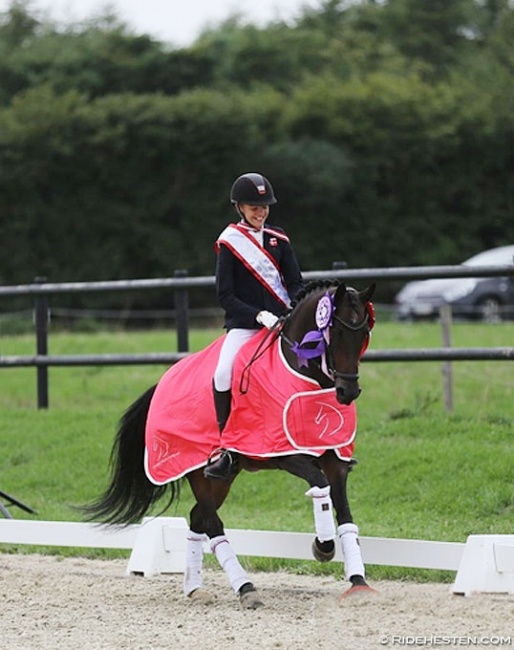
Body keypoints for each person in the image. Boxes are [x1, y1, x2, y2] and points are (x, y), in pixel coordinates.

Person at [204, 172, 303, 479]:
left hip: (282, 322)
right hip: (246, 325)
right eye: (253, 206)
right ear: (240, 208)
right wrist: (258, 316)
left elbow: (296, 283)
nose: (260, 212)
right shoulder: (229, 243)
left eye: (264, 207)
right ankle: (225, 447)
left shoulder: (279, 240)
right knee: (222, 372)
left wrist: (293, 311)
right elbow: (225, 295)